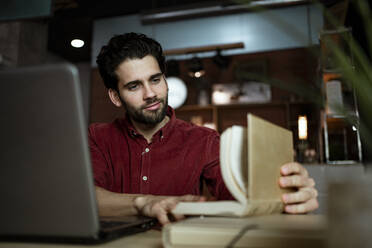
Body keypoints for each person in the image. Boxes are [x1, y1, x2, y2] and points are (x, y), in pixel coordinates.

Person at [90, 32, 318, 225]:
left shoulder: (205, 141)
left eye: (155, 79)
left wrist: (284, 196)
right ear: (115, 96)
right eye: (134, 86)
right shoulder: (96, 137)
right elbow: (83, 198)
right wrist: (145, 203)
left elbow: (243, 198)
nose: (150, 94)